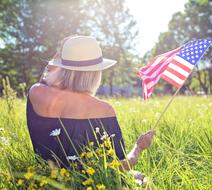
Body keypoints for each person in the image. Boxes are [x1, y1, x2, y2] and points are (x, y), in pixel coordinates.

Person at [26, 35, 155, 185]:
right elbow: (121, 166)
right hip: (92, 184)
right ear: (95, 73)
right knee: (143, 180)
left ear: (60, 66)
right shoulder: (104, 110)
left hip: (47, 182)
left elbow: (46, 75)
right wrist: (139, 147)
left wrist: (62, 55)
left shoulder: (36, 93)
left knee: (136, 176)